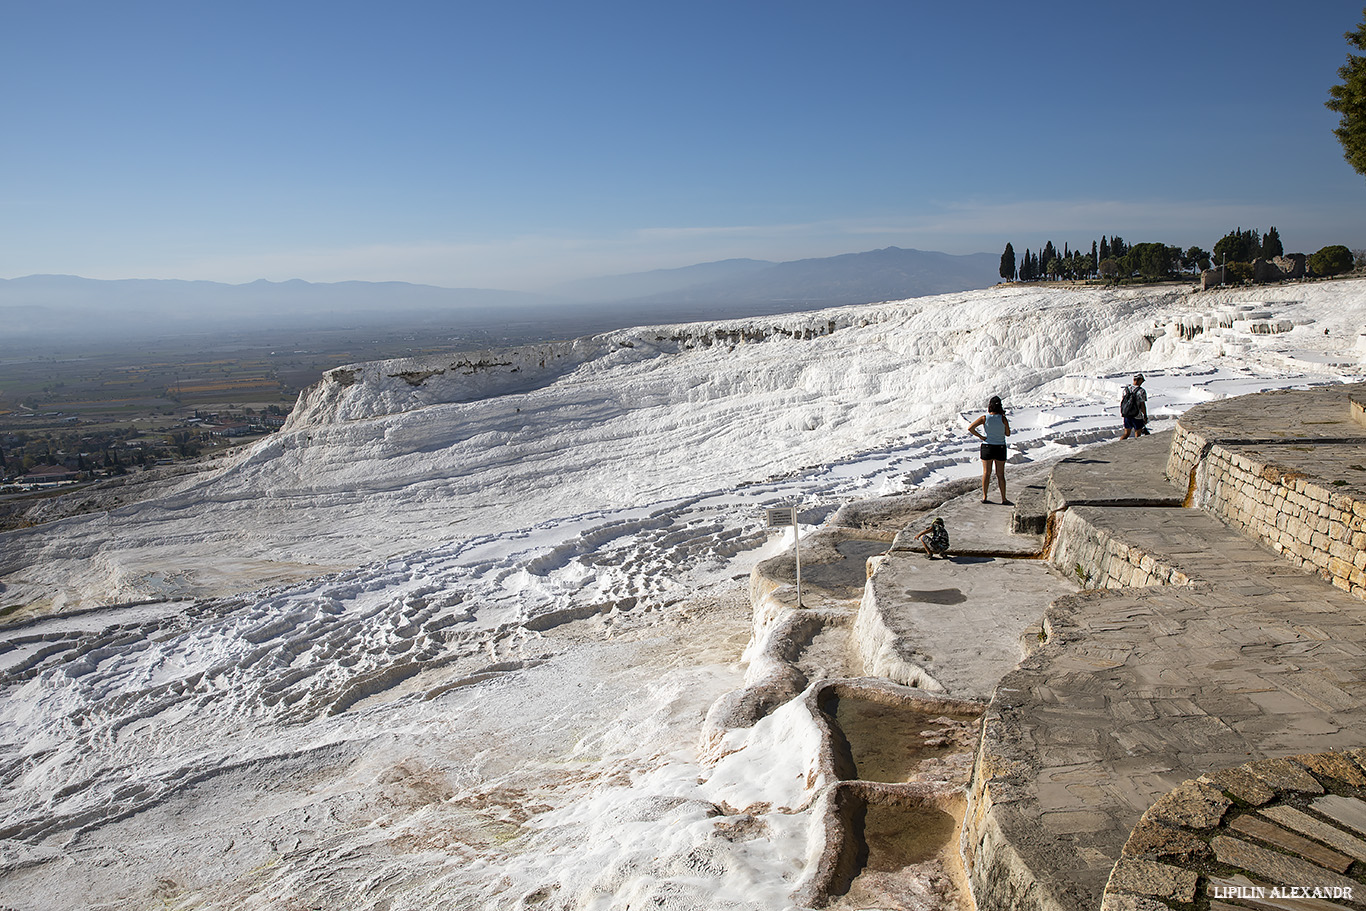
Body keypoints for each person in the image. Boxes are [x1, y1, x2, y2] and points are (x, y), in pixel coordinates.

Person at [968, 395, 1011, 505]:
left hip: (987, 446)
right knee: (1000, 474)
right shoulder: (1003, 418)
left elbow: (970, 428)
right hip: (1000, 447)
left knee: (986, 473)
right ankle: (1004, 499)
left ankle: (985, 496)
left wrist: (981, 437)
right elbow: (1008, 433)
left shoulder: (984, 418)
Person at [1119, 374, 1149, 439]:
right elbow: (1142, 405)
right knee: (1138, 434)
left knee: (1126, 433)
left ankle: (1119, 445)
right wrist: (1145, 415)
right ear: (1140, 380)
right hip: (1137, 416)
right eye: (1142, 380)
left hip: (1127, 414)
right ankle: (1136, 447)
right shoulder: (1141, 391)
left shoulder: (1126, 389)